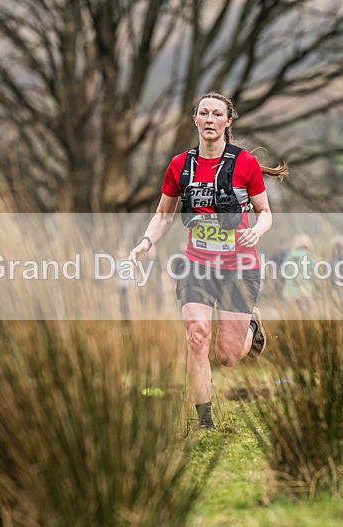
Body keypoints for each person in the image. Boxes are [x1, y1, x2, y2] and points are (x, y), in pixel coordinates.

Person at [128, 92, 288, 429]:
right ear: (195, 120)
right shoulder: (179, 165)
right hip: (196, 264)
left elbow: (265, 213)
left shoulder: (244, 164)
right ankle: (204, 423)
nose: (210, 119)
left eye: (217, 114)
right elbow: (163, 214)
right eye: (204, 113)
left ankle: (251, 327)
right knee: (197, 336)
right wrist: (144, 243)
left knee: (228, 356)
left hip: (239, 266)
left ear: (228, 121)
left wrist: (256, 232)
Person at [282, 233, 315, 312]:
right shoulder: (308, 255)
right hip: (304, 291)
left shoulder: (290, 254)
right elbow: (315, 270)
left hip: (289, 292)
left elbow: (284, 269)